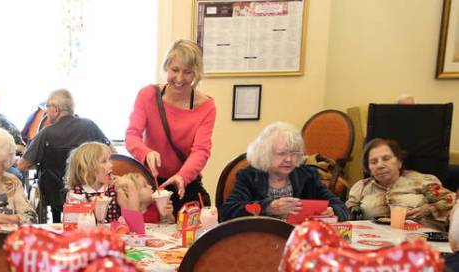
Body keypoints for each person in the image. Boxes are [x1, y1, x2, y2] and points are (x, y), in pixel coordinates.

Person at [124, 39, 216, 213]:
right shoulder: (147, 95)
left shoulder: (206, 106)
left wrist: (182, 176)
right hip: (151, 184)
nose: (180, 78)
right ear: (166, 67)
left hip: (184, 184)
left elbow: (201, 150)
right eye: (174, 70)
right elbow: (132, 135)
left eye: (187, 72)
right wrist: (146, 153)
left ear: (196, 73)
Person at [220, 122, 348, 221]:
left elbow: (343, 209)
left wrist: (333, 211)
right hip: (259, 241)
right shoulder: (249, 176)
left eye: (294, 153)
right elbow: (227, 212)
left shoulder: (307, 176)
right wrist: (269, 207)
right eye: (281, 154)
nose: (289, 159)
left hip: (298, 242)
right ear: (265, 154)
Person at [17, 89, 111, 222]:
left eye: (47, 107)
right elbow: (112, 153)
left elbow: (22, 165)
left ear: (56, 109)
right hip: (90, 193)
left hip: (55, 195)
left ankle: (56, 221)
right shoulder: (90, 126)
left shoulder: (46, 133)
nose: (46, 111)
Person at [346, 138, 455, 229]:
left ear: (399, 162)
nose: (380, 165)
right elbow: (346, 213)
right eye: (373, 162)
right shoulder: (362, 187)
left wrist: (426, 210)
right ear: (368, 168)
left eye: (386, 158)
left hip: (420, 242)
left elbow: (450, 200)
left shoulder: (420, 181)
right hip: (374, 242)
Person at [64, 142, 171, 224]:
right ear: (88, 168)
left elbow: (134, 221)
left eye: (109, 160)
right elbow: (72, 226)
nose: (111, 165)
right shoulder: (76, 195)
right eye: (104, 161)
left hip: (115, 242)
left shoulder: (115, 189)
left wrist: (130, 185)